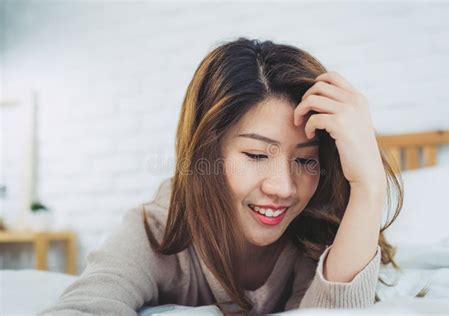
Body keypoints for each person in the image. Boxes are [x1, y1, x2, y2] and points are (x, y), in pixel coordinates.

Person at [40, 37, 402, 315]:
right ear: (206, 151)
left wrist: (369, 186)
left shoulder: (321, 230)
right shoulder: (158, 230)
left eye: (306, 161)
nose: (283, 188)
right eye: (257, 155)